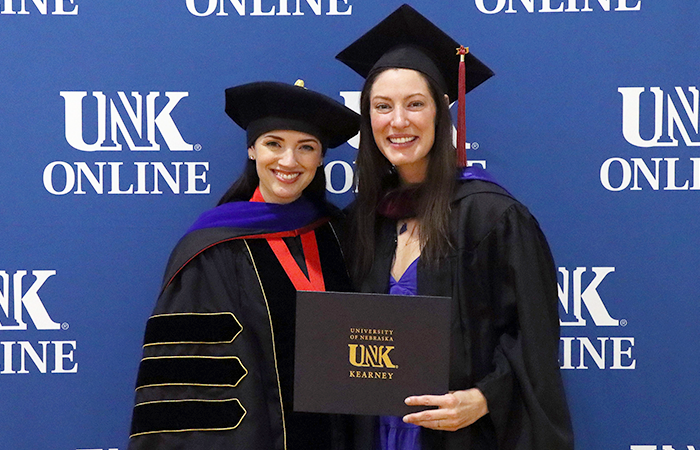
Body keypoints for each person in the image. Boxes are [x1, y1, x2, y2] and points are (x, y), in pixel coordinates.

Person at [335, 4, 574, 450]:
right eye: (382, 107)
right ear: (367, 119)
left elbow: (535, 337)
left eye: (415, 104)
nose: (398, 122)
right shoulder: (361, 222)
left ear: (442, 112)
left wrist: (484, 398)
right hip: (374, 432)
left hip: (460, 436)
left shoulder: (492, 216)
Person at [127, 80, 360, 450]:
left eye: (306, 147)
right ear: (252, 150)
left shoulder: (343, 236)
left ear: (321, 158)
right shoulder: (212, 250)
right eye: (274, 144)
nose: (289, 161)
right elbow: (189, 385)